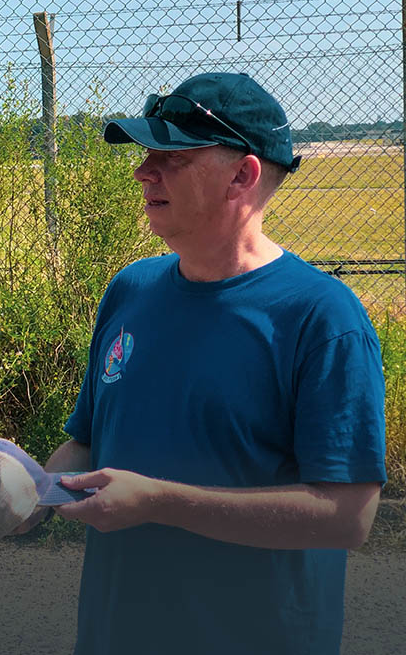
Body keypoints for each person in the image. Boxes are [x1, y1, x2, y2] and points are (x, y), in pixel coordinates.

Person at [24, 73, 385, 655]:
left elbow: (347, 517)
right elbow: (89, 446)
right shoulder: (130, 290)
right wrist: (30, 492)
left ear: (242, 175)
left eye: (171, 156)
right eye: (146, 155)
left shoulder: (321, 318)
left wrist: (159, 502)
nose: (144, 172)